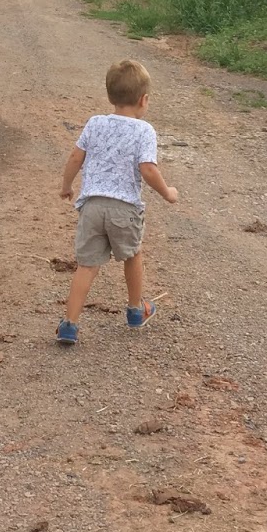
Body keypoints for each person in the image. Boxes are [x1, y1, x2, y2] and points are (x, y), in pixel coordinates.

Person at [55, 59, 178, 346]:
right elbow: (148, 169)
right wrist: (168, 192)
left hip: (92, 206)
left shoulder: (96, 123)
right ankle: (136, 310)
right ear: (144, 100)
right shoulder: (144, 131)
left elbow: (76, 157)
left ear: (110, 96)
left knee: (86, 266)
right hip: (124, 208)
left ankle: (69, 325)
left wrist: (66, 185)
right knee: (132, 254)